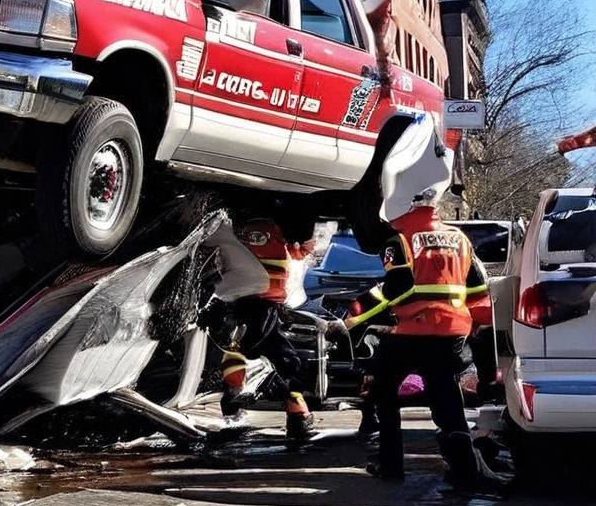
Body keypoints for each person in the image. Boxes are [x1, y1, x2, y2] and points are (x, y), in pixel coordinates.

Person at [344, 184, 493, 485]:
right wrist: (478, 328)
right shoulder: (459, 238)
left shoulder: (399, 236)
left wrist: (357, 317)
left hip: (412, 330)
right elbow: (478, 290)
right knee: (447, 398)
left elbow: (397, 287)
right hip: (451, 333)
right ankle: (465, 470)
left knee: (384, 393)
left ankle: (390, 467)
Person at [202, 218, 317, 443]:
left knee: (246, 351)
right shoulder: (265, 227)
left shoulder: (240, 227)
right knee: (270, 354)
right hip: (261, 302)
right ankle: (294, 411)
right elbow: (294, 252)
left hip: (246, 301)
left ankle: (238, 408)